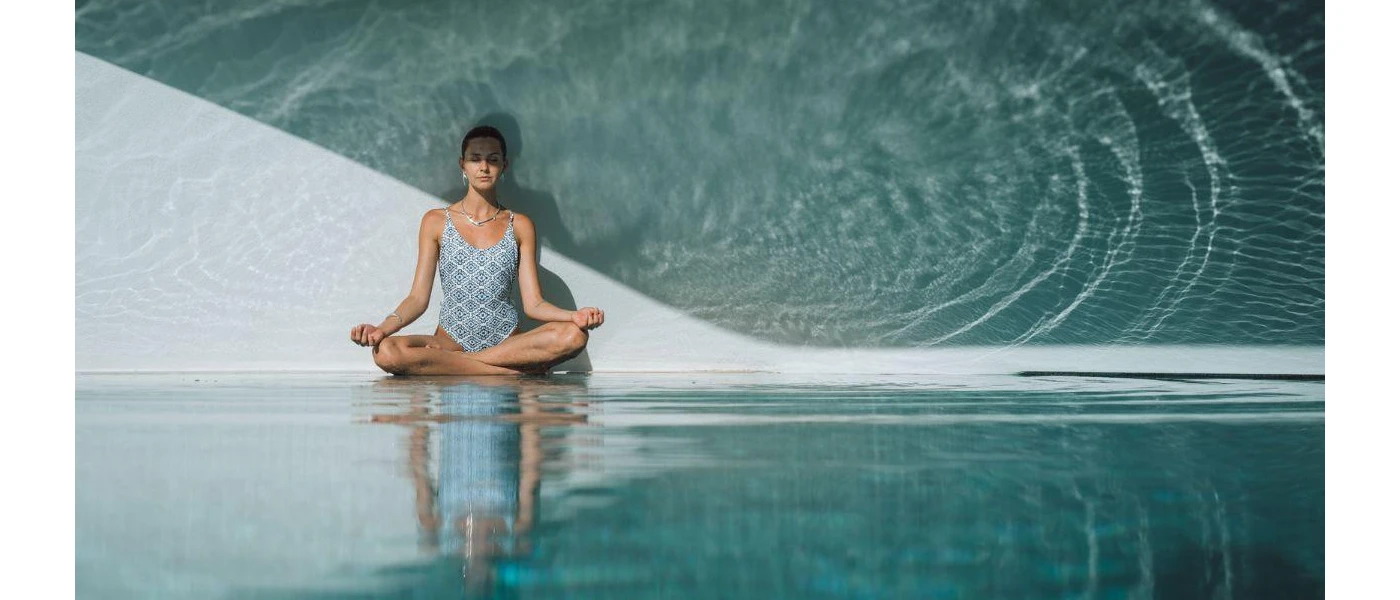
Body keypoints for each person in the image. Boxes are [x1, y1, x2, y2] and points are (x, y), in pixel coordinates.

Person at [350, 125, 604, 375]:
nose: (484, 167)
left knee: (573, 336)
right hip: (449, 341)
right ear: (463, 165)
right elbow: (417, 299)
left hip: (508, 343)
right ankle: (507, 373)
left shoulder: (521, 225)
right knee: (387, 351)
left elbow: (534, 304)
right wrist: (381, 329)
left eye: (493, 160)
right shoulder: (435, 221)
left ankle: (464, 364)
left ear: (505, 165)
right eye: (475, 159)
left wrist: (574, 316)